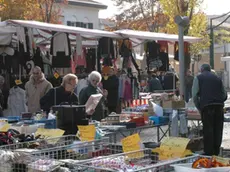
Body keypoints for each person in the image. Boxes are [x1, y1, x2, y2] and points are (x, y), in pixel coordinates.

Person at [192, 64, 227, 156]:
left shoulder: (198, 78)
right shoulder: (218, 78)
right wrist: (218, 100)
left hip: (207, 106)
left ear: (201, 70)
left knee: (208, 130)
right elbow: (224, 95)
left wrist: (199, 107)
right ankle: (216, 152)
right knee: (218, 130)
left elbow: (194, 95)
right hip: (219, 106)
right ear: (210, 70)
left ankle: (208, 153)